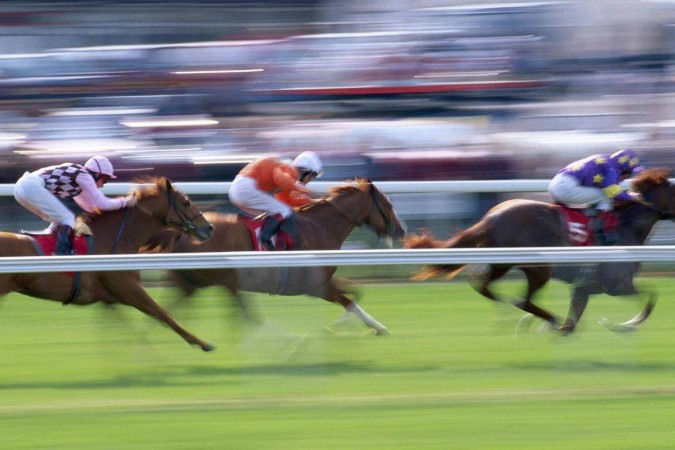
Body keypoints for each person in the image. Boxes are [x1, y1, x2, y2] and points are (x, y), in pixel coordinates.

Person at [14, 155, 137, 255]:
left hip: (21, 188)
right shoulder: (84, 175)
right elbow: (101, 203)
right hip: (30, 186)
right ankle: (62, 254)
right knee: (67, 218)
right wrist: (125, 201)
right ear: (97, 174)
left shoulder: (78, 178)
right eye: (105, 179)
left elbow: (91, 207)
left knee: (60, 219)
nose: (103, 184)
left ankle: (47, 246)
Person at [228, 151, 323, 250]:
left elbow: (287, 200)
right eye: (312, 176)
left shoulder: (288, 175)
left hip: (241, 189)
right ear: (306, 172)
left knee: (280, 211)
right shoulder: (288, 169)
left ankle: (261, 241)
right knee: (284, 211)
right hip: (245, 188)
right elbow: (281, 179)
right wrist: (300, 188)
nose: (310, 180)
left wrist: (313, 202)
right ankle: (264, 238)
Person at [548, 149, 645, 244]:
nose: (624, 180)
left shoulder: (606, 159)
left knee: (598, 194)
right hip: (565, 188)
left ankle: (591, 220)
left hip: (556, 184)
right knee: (605, 196)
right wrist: (631, 197)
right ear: (624, 170)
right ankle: (602, 232)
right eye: (628, 175)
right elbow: (612, 192)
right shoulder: (611, 169)